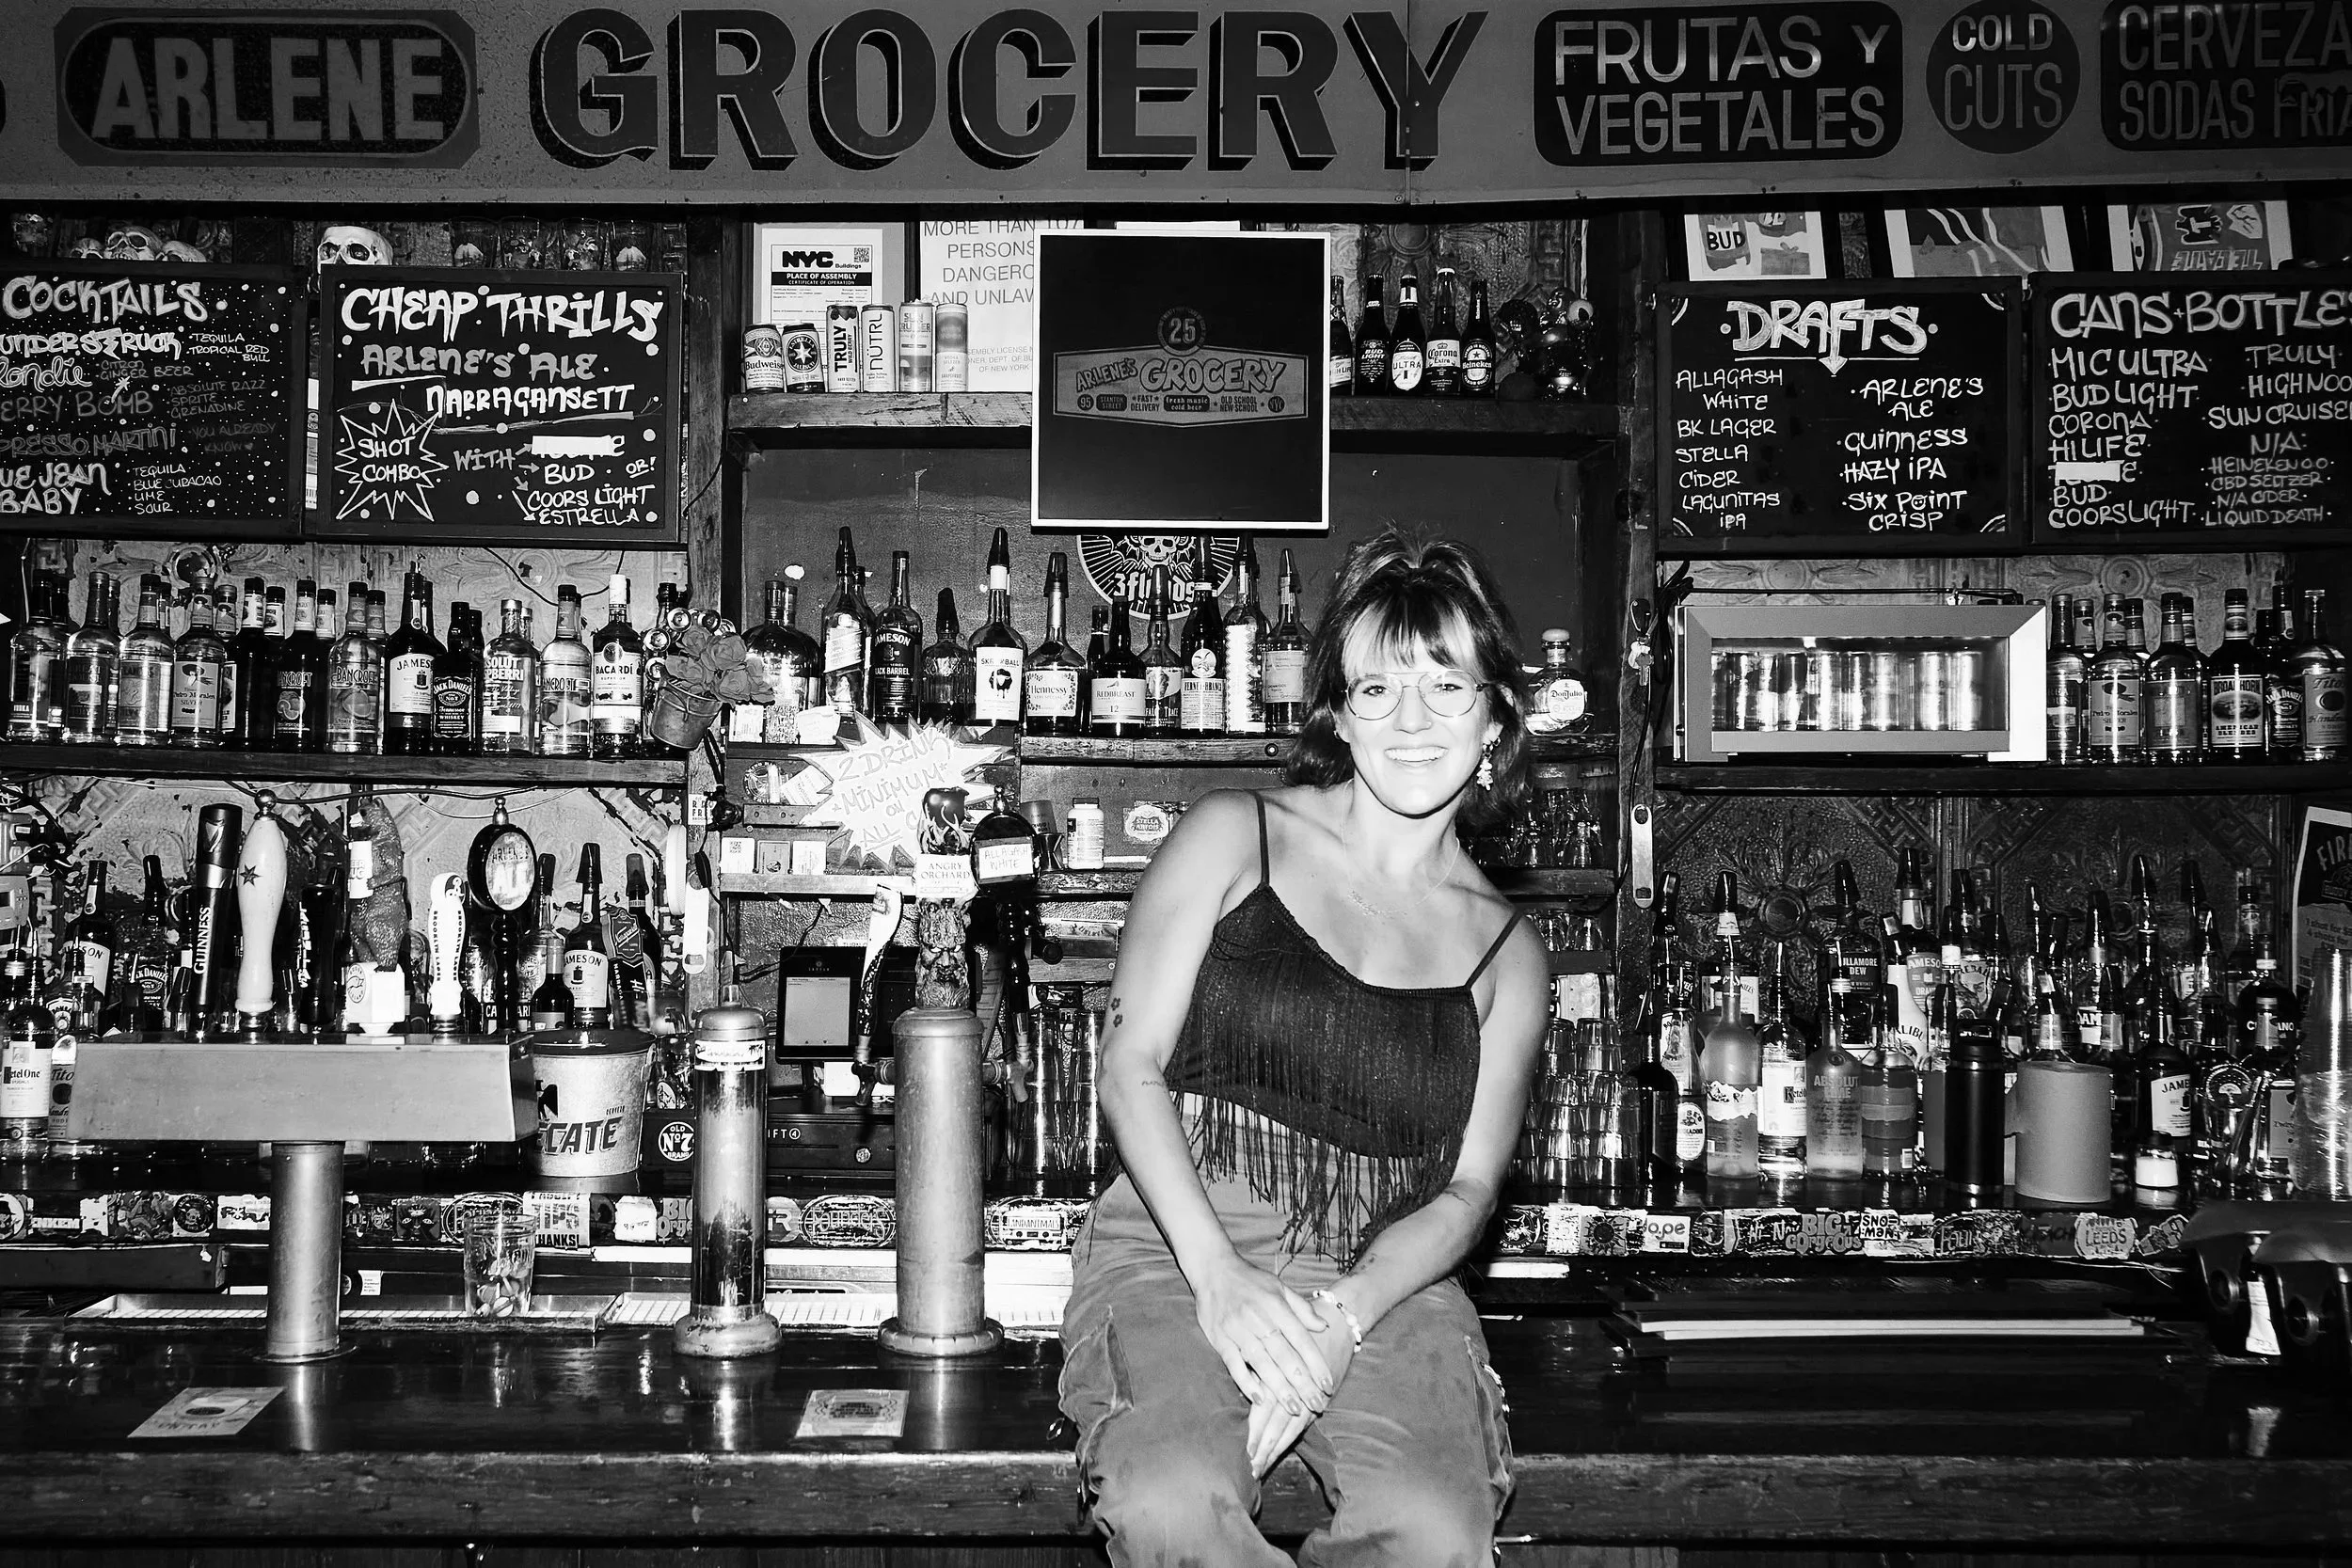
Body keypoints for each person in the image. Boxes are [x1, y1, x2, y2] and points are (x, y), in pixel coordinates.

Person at [1058, 530, 1549, 1565]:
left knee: (1430, 1523)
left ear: (1497, 715)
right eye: (1377, 690)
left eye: (1444, 688)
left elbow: (1465, 1192)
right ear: (1338, 709)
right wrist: (1221, 1282)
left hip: (1385, 1272)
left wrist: (1337, 1323)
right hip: (1174, 1237)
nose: (1410, 722)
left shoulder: (1508, 950)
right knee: (1172, 1496)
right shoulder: (1237, 834)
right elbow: (1129, 1064)